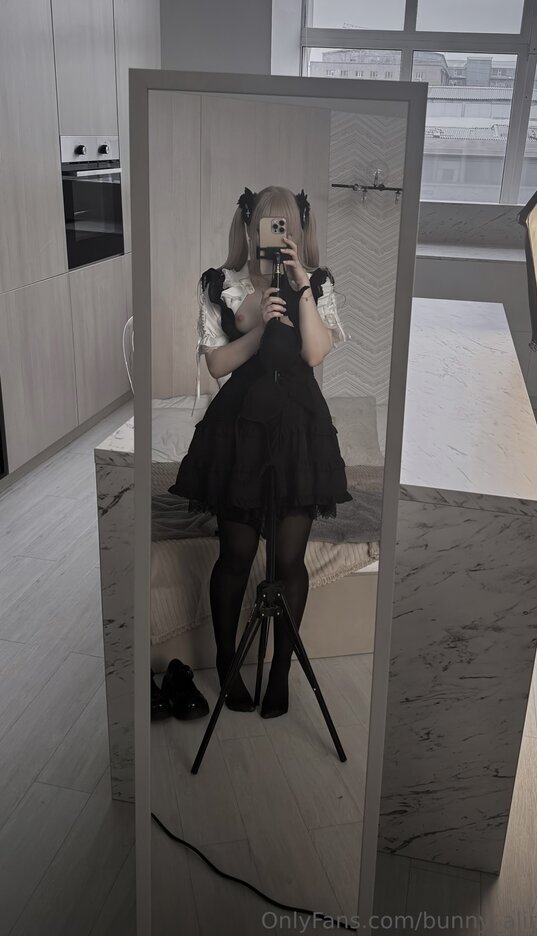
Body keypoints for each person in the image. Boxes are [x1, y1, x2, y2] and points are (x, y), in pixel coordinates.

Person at [168, 185, 352, 719]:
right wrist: (256, 326)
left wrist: (300, 286)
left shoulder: (316, 282)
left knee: (290, 560)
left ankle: (280, 672)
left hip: (299, 436)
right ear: (248, 229)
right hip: (239, 435)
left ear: (299, 229)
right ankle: (227, 661)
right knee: (237, 555)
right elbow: (217, 366)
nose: (276, 236)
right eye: (267, 226)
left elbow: (315, 353)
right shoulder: (220, 284)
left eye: (286, 226)